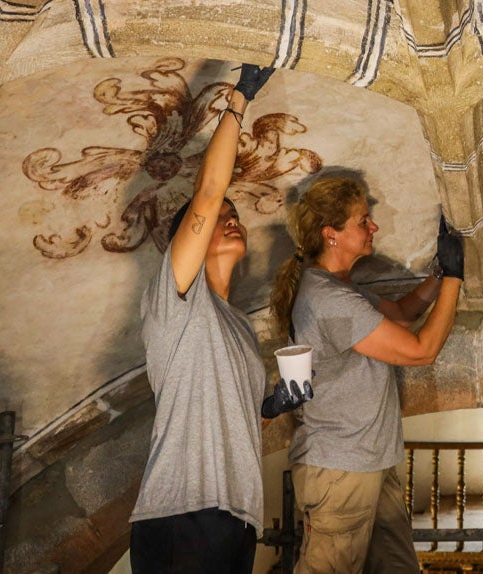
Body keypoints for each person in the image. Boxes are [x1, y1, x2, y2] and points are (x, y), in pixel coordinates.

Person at [129, 64, 312, 573]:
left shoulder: (235, 324)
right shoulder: (177, 294)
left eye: (237, 217)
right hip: (180, 511)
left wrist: (272, 406)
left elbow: (229, 418)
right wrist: (238, 101)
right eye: (219, 218)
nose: (230, 219)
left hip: (237, 513)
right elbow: (208, 193)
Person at [268, 177, 465, 574]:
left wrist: (440, 272)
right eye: (363, 220)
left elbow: (404, 313)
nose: (373, 227)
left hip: (371, 461)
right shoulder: (328, 299)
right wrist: (457, 278)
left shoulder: (339, 288)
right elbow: (421, 351)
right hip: (342, 468)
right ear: (332, 234)